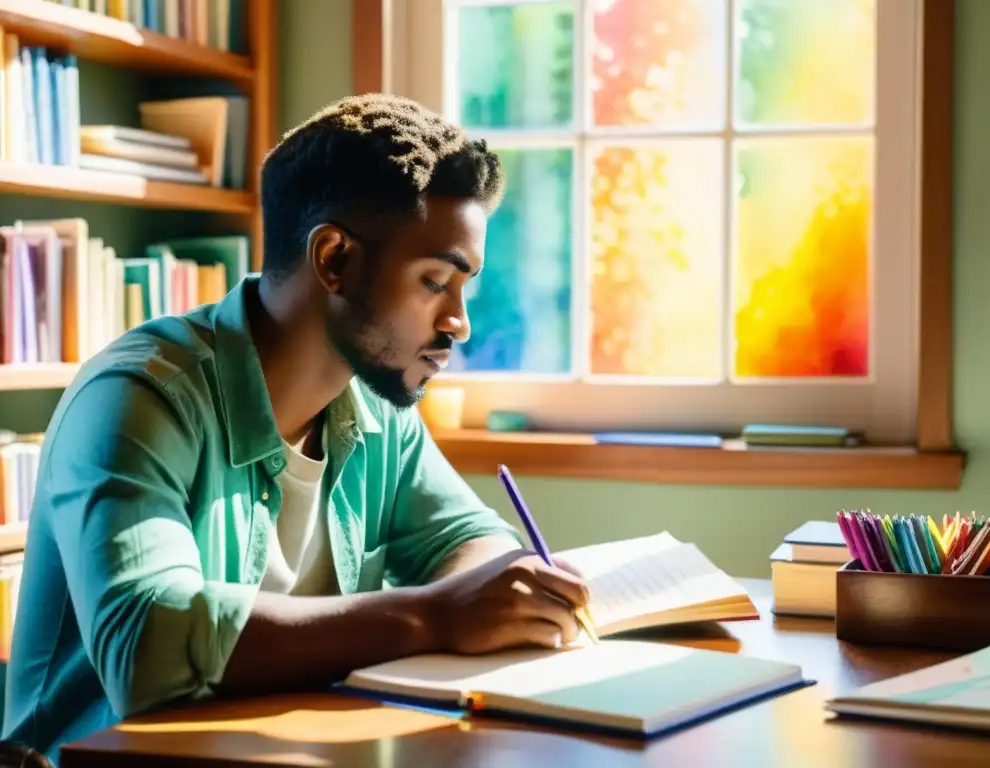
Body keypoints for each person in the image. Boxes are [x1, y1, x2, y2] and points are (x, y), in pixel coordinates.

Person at [1, 94, 590, 764]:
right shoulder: (137, 400)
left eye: (465, 288)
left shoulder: (373, 405)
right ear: (334, 259)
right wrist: (433, 615)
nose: (460, 322)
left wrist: (492, 598)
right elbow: (146, 642)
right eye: (434, 282)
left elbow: (471, 541)